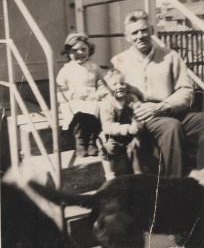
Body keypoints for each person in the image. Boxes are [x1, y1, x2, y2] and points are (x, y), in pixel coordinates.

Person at [111, 9, 204, 177]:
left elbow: (186, 90)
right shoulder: (119, 61)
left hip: (170, 109)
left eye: (144, 30)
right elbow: (114, 95)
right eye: (134, 33)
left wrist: (162, 106)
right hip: (142, 118)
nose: (140, 36)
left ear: (152, 30)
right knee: (171, 127)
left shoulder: (170, 56)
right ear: (127, 37)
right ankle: (172, 188)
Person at [56, 31, 105, 157]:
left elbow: (101, 85)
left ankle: (92, 142)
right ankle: (80, 143)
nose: (80, 53)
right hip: (73, 100)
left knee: (96, 108)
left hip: (92, 99)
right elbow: (61, 90)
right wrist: (73, 96)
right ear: (68, 52)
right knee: (78, 112)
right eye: (75, 50)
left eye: (83, 49)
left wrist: (97, 95)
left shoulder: (94, 68)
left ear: (90, 49)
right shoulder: (66, 69)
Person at [99, 68, 143, 177]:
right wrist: (127, 128)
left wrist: (136, 123)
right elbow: (107, 126)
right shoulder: (107, 103)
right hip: (113, 136)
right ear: (107, 87)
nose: (120, 87)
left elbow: (140, 113)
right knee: (107, 148)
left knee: (135, 147)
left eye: (122, 83)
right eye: (114, 84)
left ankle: (138, 174)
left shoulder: (131, 99)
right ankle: (109, 175)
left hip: (130, 136)